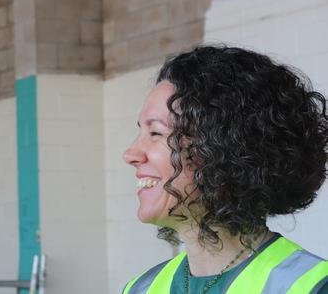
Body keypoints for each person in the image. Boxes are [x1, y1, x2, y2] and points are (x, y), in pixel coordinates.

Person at [122, 45, 328, 293]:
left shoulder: (310, 286)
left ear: (225, 148)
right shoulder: (141, 289)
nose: (130, 154)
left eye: (155, 132)